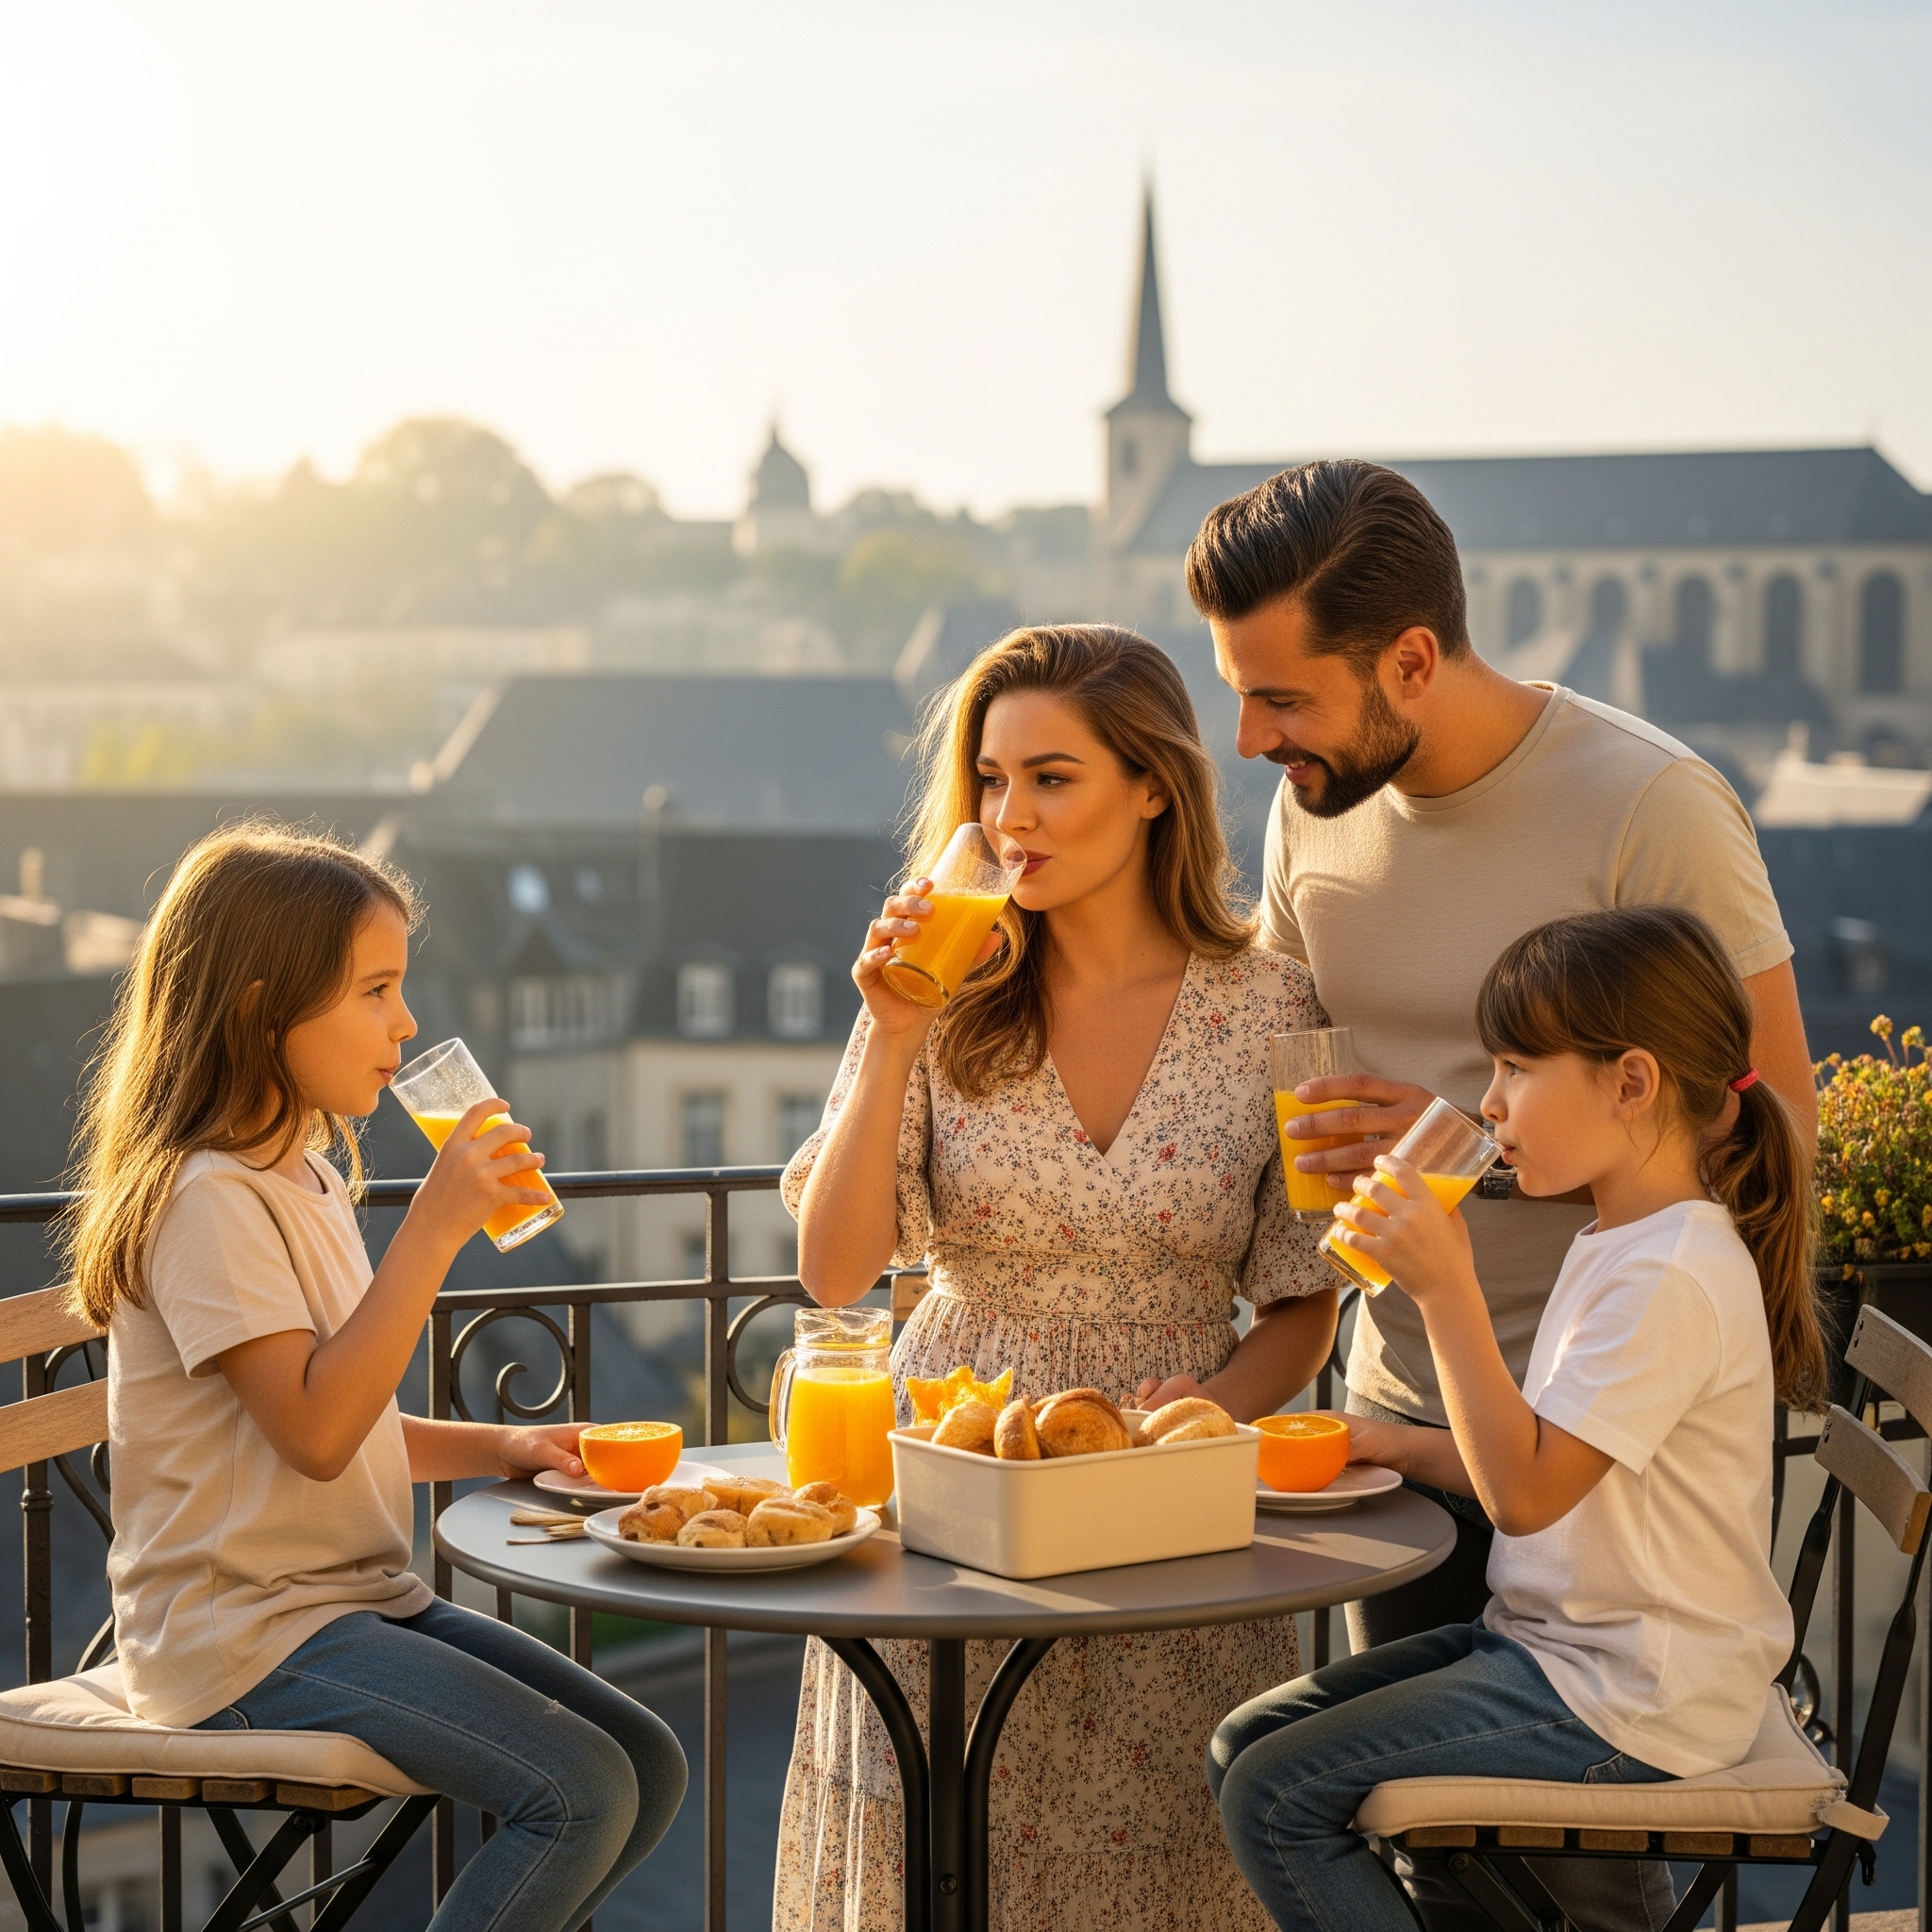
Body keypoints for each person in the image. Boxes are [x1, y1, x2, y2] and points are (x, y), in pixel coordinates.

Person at [1187, 458, 1814, 1656]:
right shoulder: (1307, 807)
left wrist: (1468, 1150)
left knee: (1566, 1834)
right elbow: (1276, 1074)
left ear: (1411, 660)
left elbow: (1775, 1115)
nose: (1250, 737)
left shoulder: (1651, 802)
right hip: (1398, 1418)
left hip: (1608, 1442)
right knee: (1405, 1823)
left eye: (1281, 699)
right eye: (1239, 695)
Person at [777, 626, 1338, 1932]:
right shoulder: (933, 986)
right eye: (987, 780)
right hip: (951, 1502)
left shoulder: (1276, 1009)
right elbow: (835, 1268)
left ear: (1153, 785)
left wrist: (1187, 1422)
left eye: (1051, 778)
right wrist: (895, 1029)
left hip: (1171, 1519)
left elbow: (1305, 1303)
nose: (1007, 816)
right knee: (941, 1865)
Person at [69, 825, 687, 1932]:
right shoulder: (208, 1196)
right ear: (264, 1008)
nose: (406, 1022)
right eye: (376, 990)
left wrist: (495, 1447)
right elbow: (312, 1430)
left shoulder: (300, 1170)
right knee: (577, 1791)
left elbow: (342, 1413)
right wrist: (433, 1231)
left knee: (646, 1756)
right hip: (239, 1636)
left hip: (346, 1602)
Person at [1208, 906, 1826, 1932]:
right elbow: (1556, 1457)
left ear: (1629, 1081)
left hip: (1632, 1695)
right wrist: (1386, 1441)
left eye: (1513, 1067)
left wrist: (1443, 1285)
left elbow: (1528, 1495)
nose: (1486, 1103)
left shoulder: (1667, 1272)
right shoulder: (1619, 1234)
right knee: (1244, 1745)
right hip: (1556, 1651)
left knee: (1275, 1794)